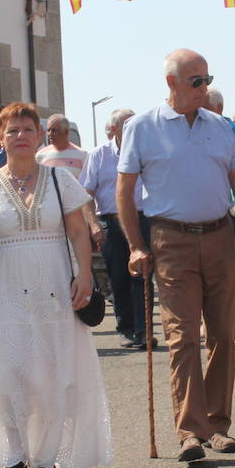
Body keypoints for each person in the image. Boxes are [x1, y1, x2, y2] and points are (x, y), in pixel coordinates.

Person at [0, 102, 113, 468]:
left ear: (40, 135)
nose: (21, 137)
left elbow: (79, 233)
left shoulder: (61, 181)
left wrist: (85, 278)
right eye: (12, 131)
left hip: (55, 288)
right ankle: (13, 457)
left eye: (28, 129)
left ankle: (46, 459)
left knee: (52, 372)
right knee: (9, 372)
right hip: (6, 288)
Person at [117, 48, 235, 462]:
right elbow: (125, 191)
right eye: (196, 80)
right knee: (183, 337)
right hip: (171, 240)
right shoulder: (142, 127)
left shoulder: (221, 127)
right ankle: (189, 432)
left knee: (223, 337)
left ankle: (218, 426)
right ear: (172, 84)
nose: (204, 87)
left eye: (207, 79)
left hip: (219, 237)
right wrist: (135, 245)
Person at [80, 107, 153, 349]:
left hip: (142, 219)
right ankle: (127, 328)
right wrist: (93, 224)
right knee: (119, 277)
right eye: (127, 125)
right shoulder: (99, 155)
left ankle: (145, 330)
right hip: (111, 222)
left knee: (143, 276)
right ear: (114, 130)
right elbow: (85, 194)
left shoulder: (146, 152)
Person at [38, 112, 103, 249]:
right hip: (49, 216)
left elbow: (87, 188)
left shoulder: (82, 155)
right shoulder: (40, 156)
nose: (49, 134)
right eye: (48, 130)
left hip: (75, 215)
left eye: (54, 130)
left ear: (66, 132)